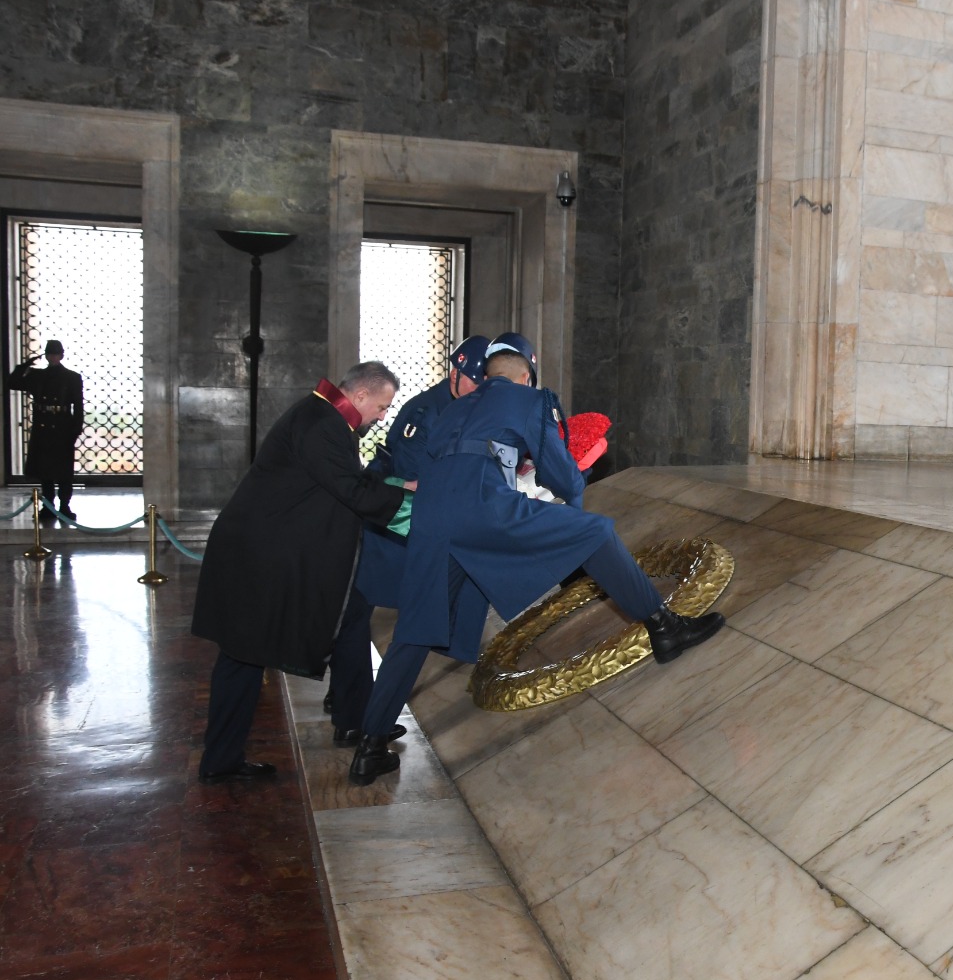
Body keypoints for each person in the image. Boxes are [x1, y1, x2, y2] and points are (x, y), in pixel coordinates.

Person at [349, 348, 724, 784]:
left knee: (413, 630)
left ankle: (369, 747)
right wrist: (571, 516)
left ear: (485, 378)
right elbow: (560, 475)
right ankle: (664, 627)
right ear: (525, 378)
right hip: (482, 505)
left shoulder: (455, 409)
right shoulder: (529, 400)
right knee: (596, 533)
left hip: (430, 517)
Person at [192, 362, 408, 783]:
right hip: (257, 561)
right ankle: (220, 760)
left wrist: (398, 490)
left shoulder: (323, 416)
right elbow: (350, 490)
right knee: (241, 659)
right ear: (360, 396)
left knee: (350, 616)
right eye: (382, 407)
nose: (382, 416)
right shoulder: (322, 422)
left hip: (264, 555)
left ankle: (358, 720)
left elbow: (340, 478)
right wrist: (412, 508)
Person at [323, 336, 491, 746]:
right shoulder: (424, 410)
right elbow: (413, 477)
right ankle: (353, 713)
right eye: (474, 381)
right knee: (365, 614)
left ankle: (352, 708)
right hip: (393, 528)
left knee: (369, 618)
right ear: (455, 373)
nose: (481, 390)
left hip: (420, 524)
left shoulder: (475, 406)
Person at [6, 339, 84, 519]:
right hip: (43, 427)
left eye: (56, 354)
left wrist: (75, 430)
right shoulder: (37, 376)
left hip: (63, 427)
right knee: (45, 472)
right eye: (50, 354)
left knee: (64, 472)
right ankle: (48, 506)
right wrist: (24, 365)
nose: (53, 357)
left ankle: (65, 506)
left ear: (61, 356)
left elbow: (78, 406)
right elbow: (13, 383)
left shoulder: (72, 377)